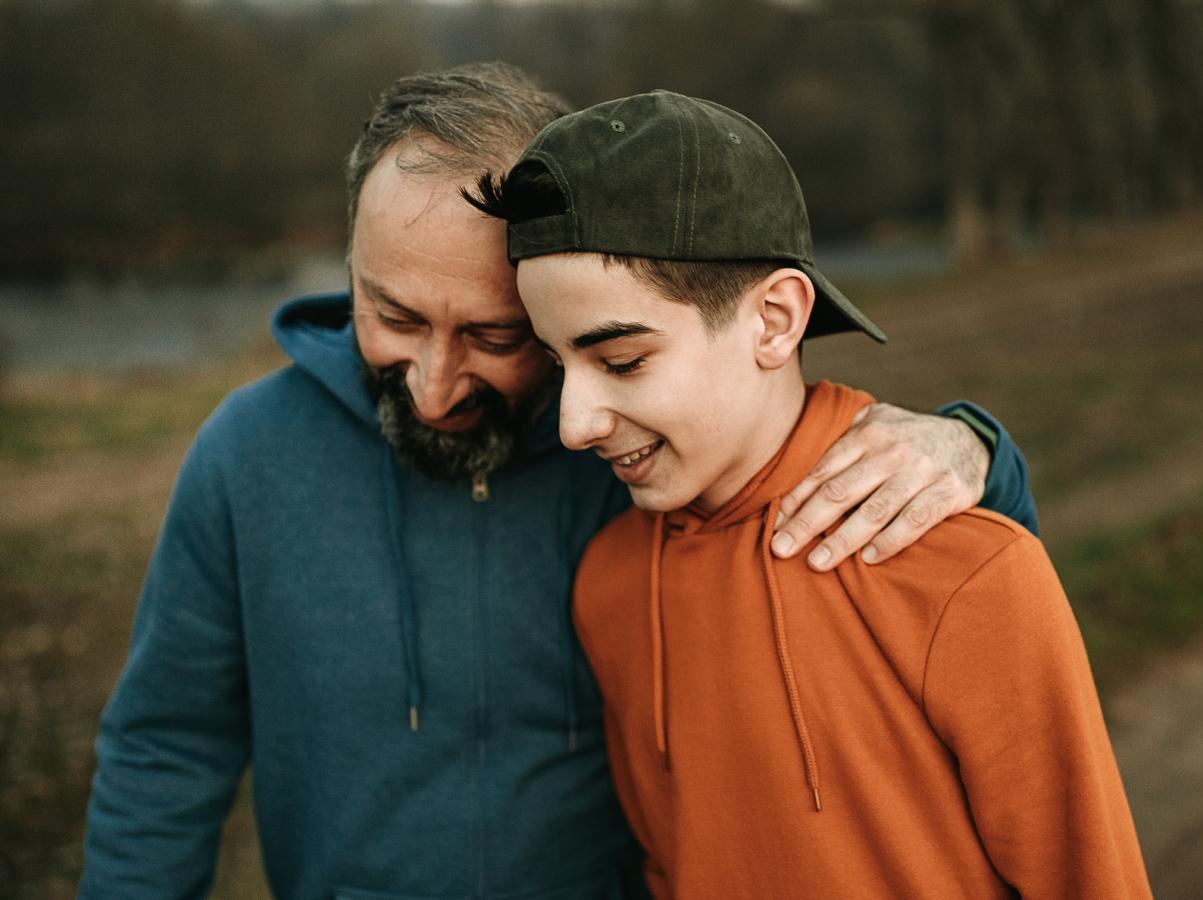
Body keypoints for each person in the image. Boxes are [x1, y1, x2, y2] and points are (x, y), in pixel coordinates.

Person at [78, 65, 1038, 898]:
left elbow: (877, 536)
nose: (436, 384)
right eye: (394, 315)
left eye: (494, 336)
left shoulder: (639, 459)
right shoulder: (247, 456)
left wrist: (977, 452)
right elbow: (166, 749)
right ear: (352, 267)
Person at [470, 90, 1149, 898]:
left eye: (620, 361)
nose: (576, 423)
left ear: (774, 320)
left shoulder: (965, 571)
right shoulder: (608, 585)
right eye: (556, 365)